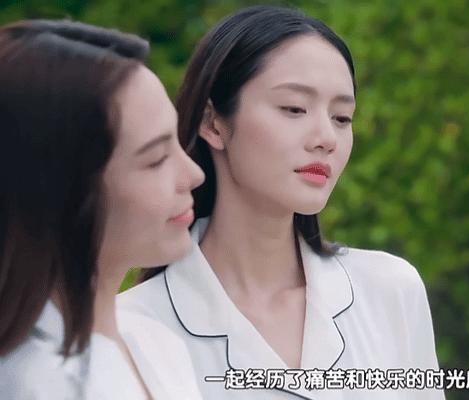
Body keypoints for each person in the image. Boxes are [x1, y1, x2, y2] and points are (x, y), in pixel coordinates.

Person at [119, 5, 444, 399]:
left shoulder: (390, 291)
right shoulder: (128, 333)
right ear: (212, 122)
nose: (326, 137)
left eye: (342, 117)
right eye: (294, 109)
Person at [0, 19, 204, 399]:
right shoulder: (32, 383)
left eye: (176, 142)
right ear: (61, 190)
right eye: (156, 159)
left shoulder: (159, 342)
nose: (193, 174)